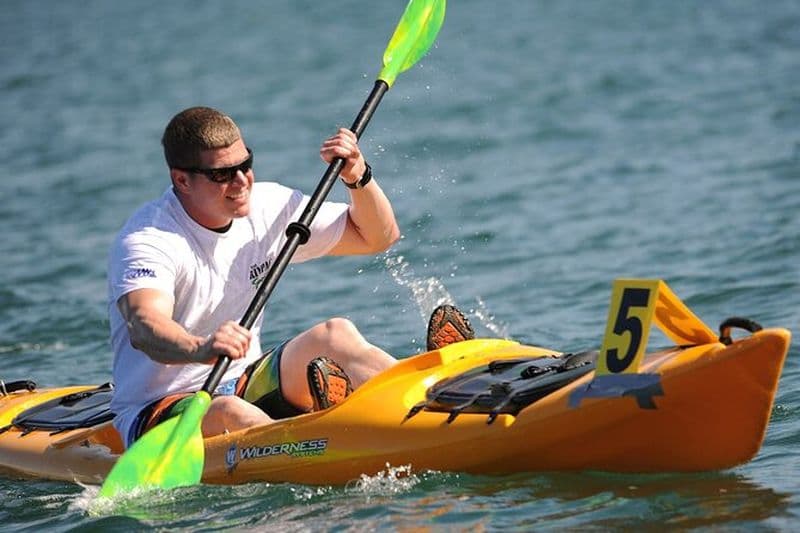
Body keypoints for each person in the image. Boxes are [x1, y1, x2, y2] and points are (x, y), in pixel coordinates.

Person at [108, 106, 475, 449]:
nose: (241, 182)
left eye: (245, 164)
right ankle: (328, 436)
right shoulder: (150, 240)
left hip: (244, 379)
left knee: (336, 334)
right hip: (160, 407)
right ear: (182, 181)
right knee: (230, 413)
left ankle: (436, 398)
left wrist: (358, 177)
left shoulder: (267, 206)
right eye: (222, 175)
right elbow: (145, 326)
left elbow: (377, 237)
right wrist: (201, 349)